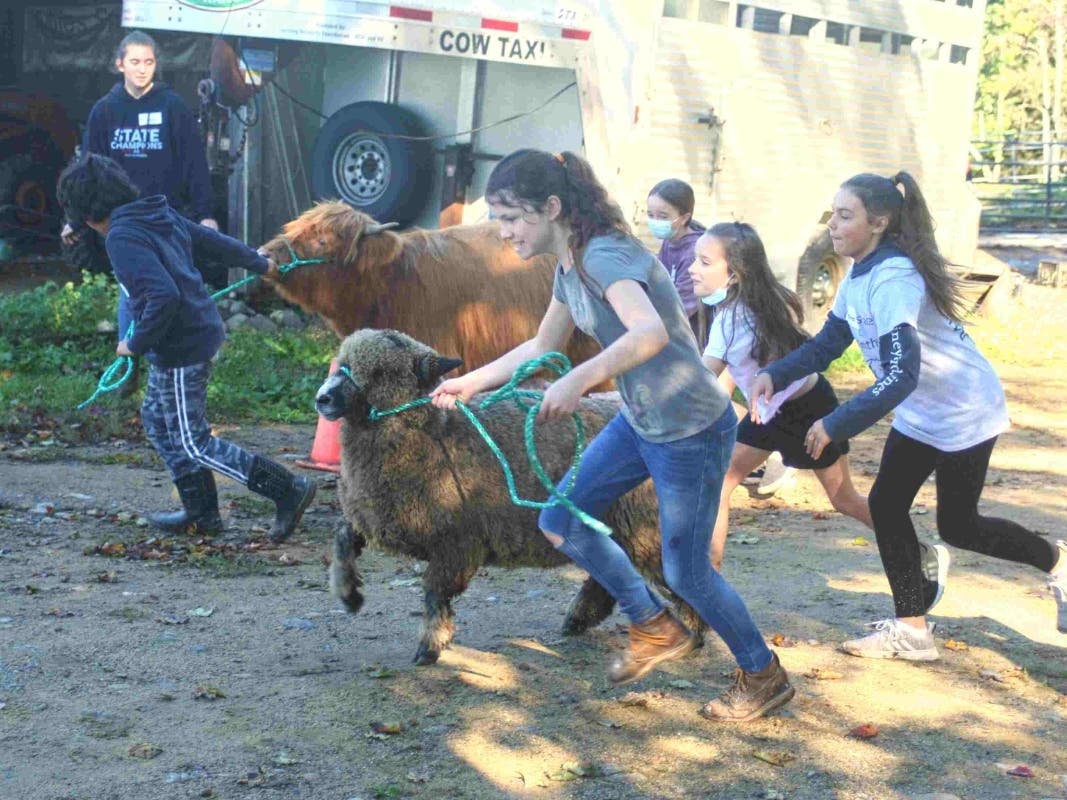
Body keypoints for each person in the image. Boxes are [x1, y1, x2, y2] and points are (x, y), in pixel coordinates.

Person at [430, 149, 794, 722]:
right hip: (641, 419)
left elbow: (647, 333)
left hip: (690, 428)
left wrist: (579, 380)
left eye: (513, 218)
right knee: (560, 518)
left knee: (687, 571)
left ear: (552, 208)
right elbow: (543, 346)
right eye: (499, 219)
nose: (503, 233)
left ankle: (763, 675)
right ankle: (652, 622)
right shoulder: (569, 266)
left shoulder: (605, 256)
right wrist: (468, 382)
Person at [750, 172, 1067, 657]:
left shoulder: (894, 280)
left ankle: (1057, 562)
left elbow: (900, 375)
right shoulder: (859, 275)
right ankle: (913, 630)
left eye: (845, 214)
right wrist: (779, 372)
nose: (832, 223)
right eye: (833, 212)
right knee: (886, 504)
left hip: (964, 410)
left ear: (878, 222)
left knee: (959, 526)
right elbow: (830, 342)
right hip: (922, 411)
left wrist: (835, 422)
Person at [689, 221, 950, 614]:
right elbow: (727, 378)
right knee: (721, 481)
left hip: (808, 410)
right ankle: (709, 582)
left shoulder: (732, 318)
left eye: (703, 261)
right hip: (770, 412)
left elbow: (700, 379)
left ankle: (919, 551)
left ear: (735, 274)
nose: (692, 268)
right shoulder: (753, 302)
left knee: (844, 499)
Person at [57, 153, 316, 543]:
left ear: (88, 215)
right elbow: (207, 239)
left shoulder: (123, 237)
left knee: (193, 441)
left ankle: (287, 489)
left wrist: (133, 343)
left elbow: (163, 295)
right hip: (186, 337)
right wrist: (256, 262)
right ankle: (201, 512)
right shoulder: (152, 212)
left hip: (182, 346)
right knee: (159, 423)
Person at [61, 31, 220, 371]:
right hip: (123, 222)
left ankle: (176, 364)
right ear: (120, 64)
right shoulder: (104, 111)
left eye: (148, 62)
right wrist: (75, 219)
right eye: (134, 61)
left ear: (156, 65)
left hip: (166, 217)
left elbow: (195, 164)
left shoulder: (172, 107)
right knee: (133, 293)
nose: (142, 69)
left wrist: (206, 213)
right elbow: (87, 170)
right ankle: (129, 367)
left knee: (173, 289)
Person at [646, 179, 705, 344]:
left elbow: (680, 310)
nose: (655, 221)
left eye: (663, 216)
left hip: (691, 339)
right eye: (650, 215)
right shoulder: (670, 239)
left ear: (684, 218)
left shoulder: (695, 252)